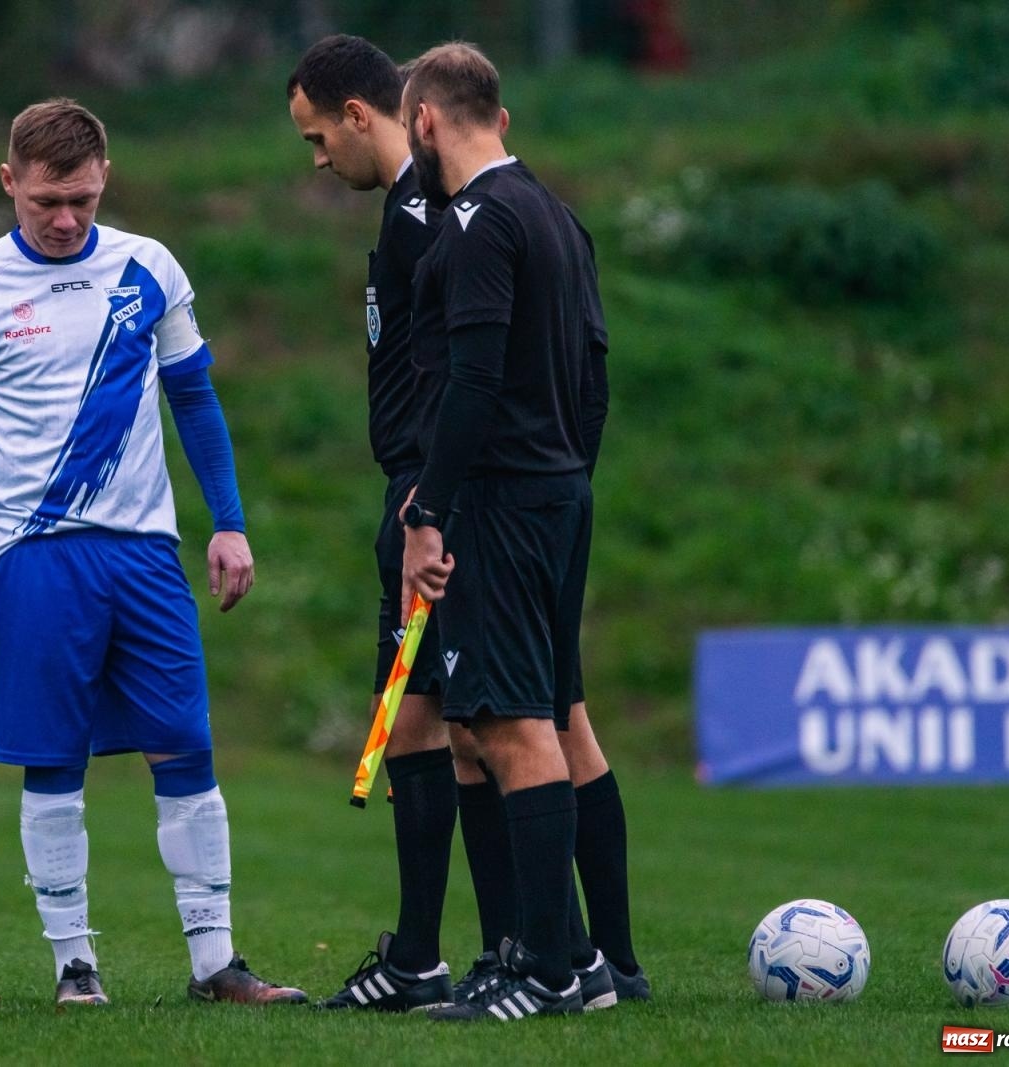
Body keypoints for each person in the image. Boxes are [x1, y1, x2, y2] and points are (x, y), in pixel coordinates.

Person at [0, 98, 307, 1009]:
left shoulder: (147, 268)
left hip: (147, 556)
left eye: (81, 198)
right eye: (46, 199)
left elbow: (195, 400)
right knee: (54, 760)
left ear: (105, 180)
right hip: (33, 556)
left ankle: (216, 964)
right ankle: (73, 965)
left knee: (186, 746)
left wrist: (230, 520)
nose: (65, 218)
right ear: (10, 182)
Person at [398, 42, 643, 1021]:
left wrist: (430, 510)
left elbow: (472, 380)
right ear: (495, 114)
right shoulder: (555, 213)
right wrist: (568, 474)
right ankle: (579, 958)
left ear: (424, 121)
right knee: (548, 710)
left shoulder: (475, 226)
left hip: (499, 500)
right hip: (559, 490)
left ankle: (554, 966)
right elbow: (595, 369)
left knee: (508, 724)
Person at [285, 34, 485, 1012]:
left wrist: (424, 500)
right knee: (419, 719)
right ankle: (425, 955)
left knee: (467, 722)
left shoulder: (432, 213)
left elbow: (456, 369)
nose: (318, 160)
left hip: (425, 499)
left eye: (320, 138)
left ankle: (515, 954)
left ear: (360, 115)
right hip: (408, 490)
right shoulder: (412, 211)